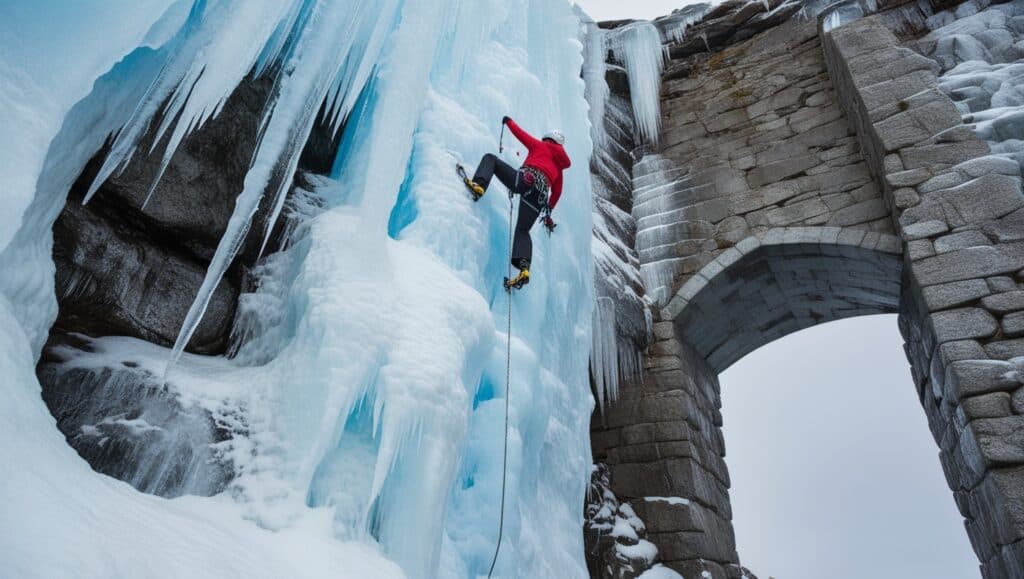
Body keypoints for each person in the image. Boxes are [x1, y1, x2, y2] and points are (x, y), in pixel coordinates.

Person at [462, 116, 572, 290]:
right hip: (539, 197)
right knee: (523, 230)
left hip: (526, 180)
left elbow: (521, 135)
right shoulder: (559, 168)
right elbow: (557, 192)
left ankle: (479, 185)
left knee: (491, 159)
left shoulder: (541, 145)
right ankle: (524, 269)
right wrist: (549, 209)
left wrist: (508, 122)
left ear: (548, 139)